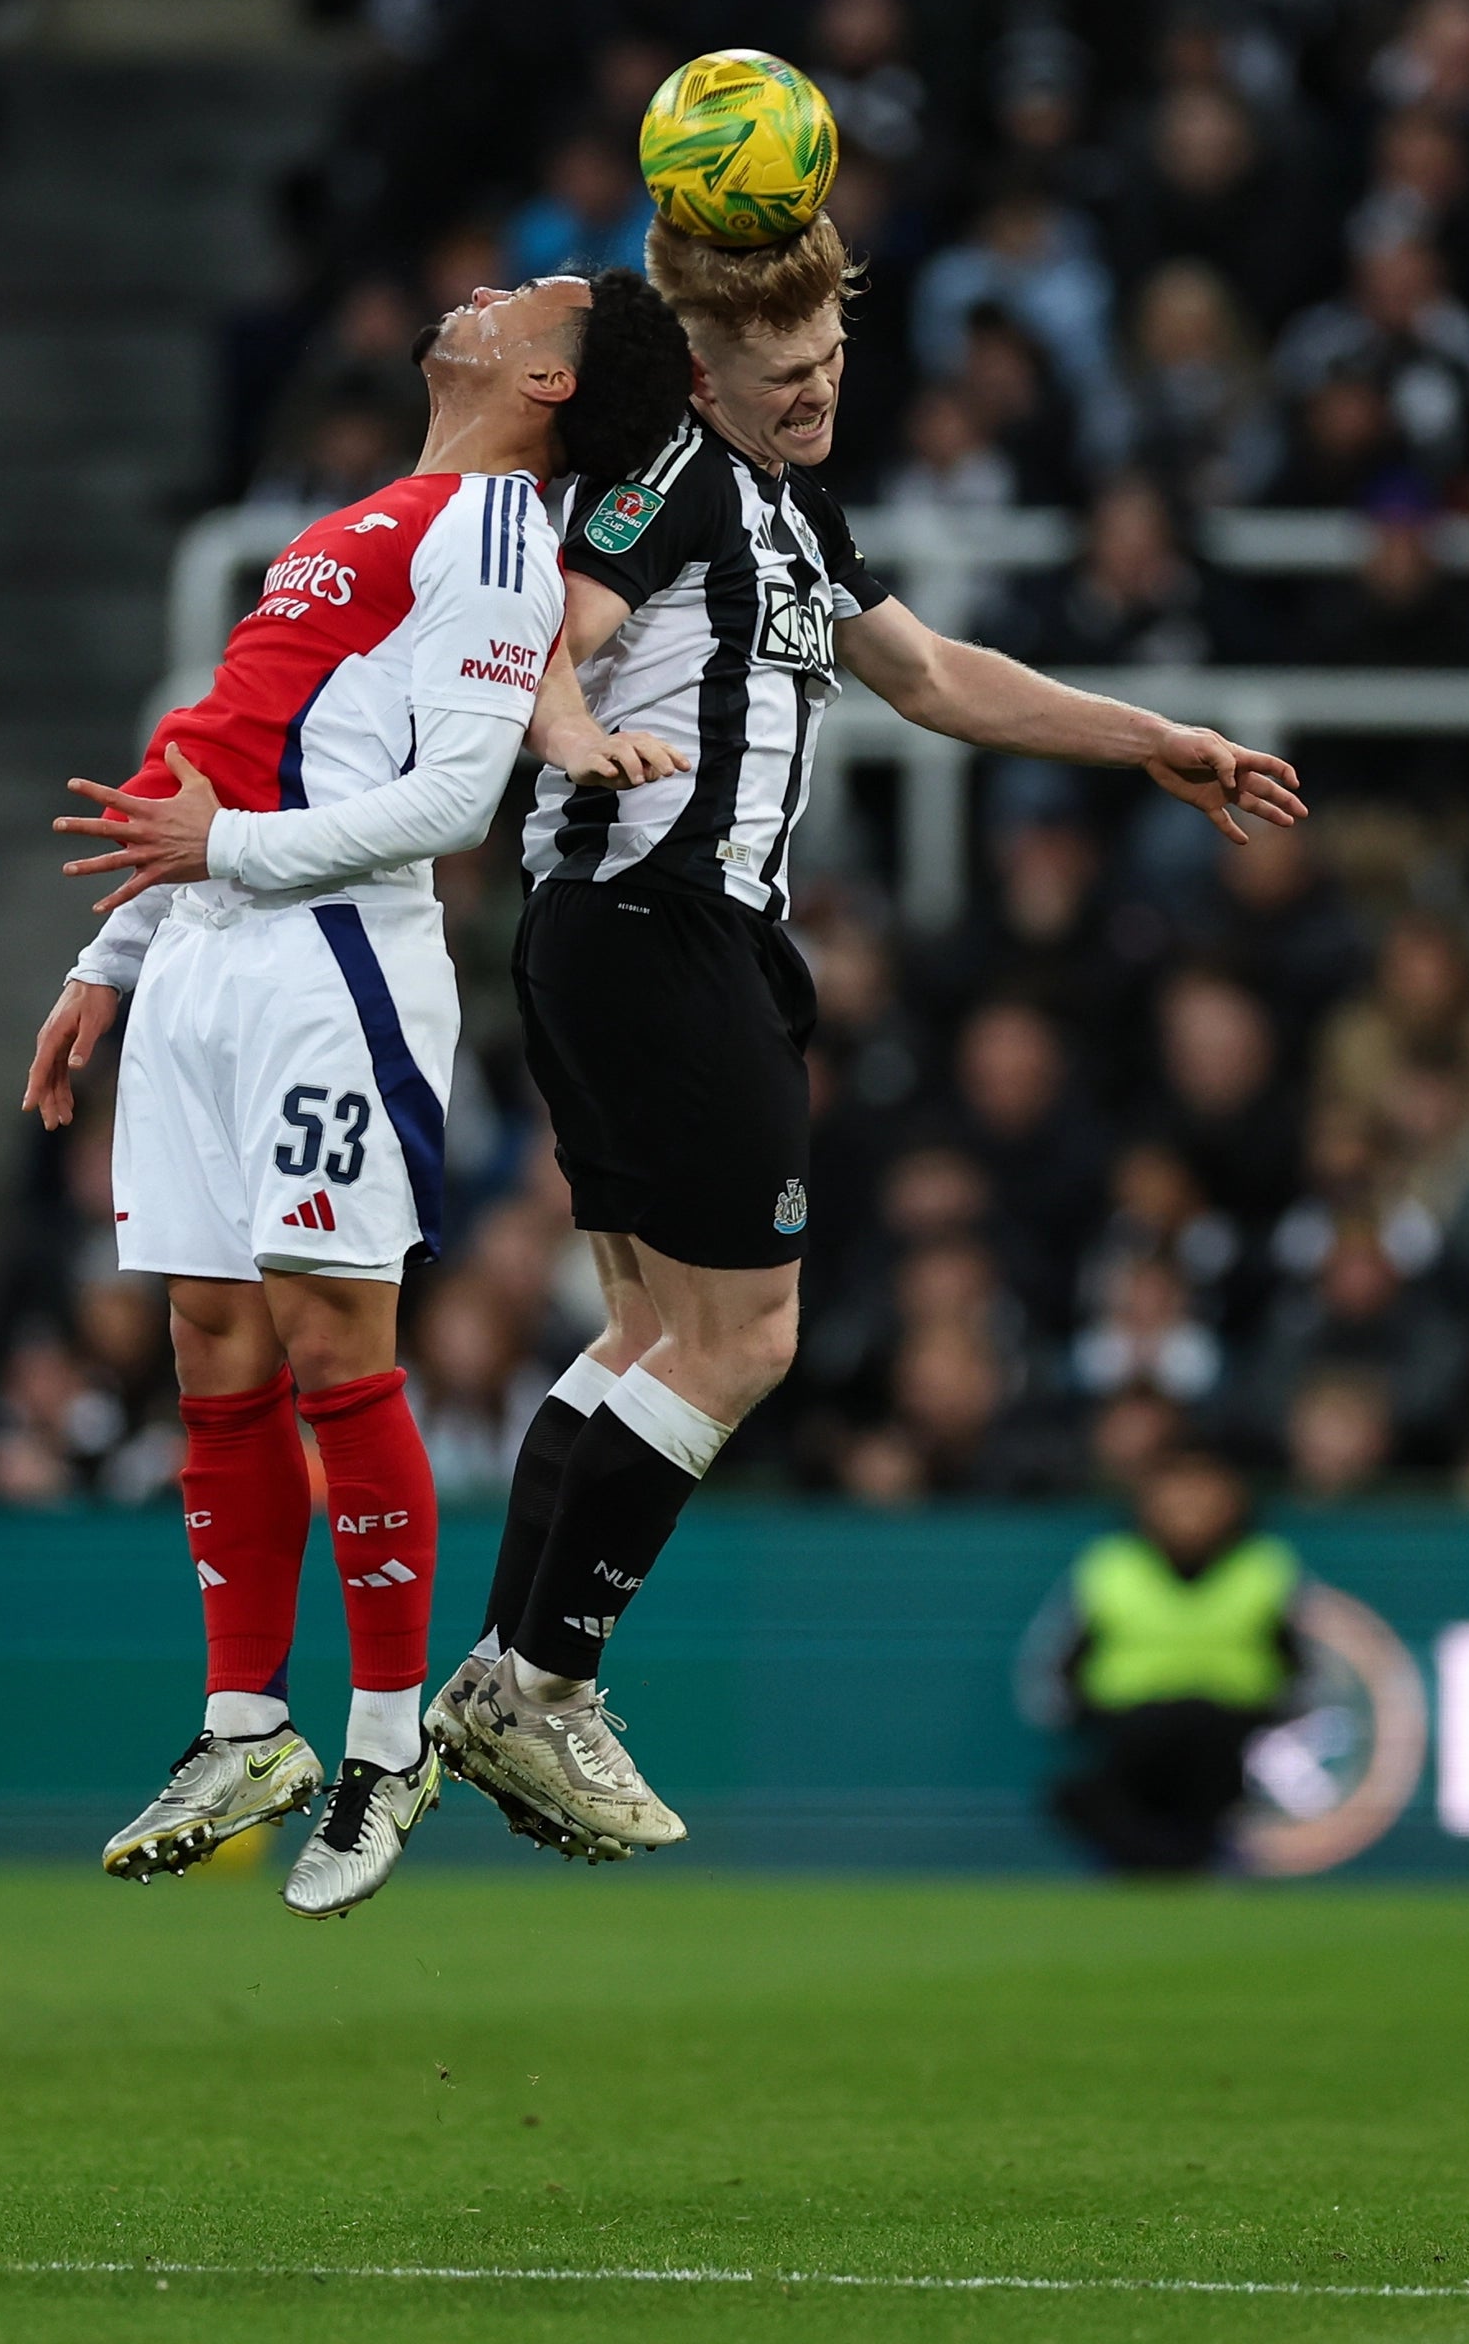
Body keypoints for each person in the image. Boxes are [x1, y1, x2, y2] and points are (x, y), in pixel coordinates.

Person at [432, 198, 1308, 1866]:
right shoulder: (673, 478)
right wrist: (564, 728)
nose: (819, 384)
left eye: (831, 355)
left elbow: (933, 677)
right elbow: (553, 619)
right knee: (747, 1342)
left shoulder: (788, 510)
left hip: (649, 941)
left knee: (641, 1339)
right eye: (784, 364)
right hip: (653, 925)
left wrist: (1145, 741)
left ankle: (504, 1669)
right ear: (704, 366)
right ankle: (541, 1678)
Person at [20, 268, 692, 1919]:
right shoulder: (372, 514)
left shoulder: (487, 538)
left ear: (547, 377)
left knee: (332, 1334)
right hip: (203, 959)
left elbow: (455, 796)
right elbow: (225, 766)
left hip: (328, 960)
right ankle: (246, 1726)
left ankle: (387, 1740)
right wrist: (108, 965)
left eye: (530, 295)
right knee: (210, 1338)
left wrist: (218, 858)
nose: (487, 287)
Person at [1019, 1450, 1304, 1874]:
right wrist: (1085, 1719)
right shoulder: (1110, 1566)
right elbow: (1055, 1670)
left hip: (1229, 1738)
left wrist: (1275, 1721)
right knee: (1083, 1791)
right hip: (1130, 1737)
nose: (1188, 1512)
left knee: (1202, 1737)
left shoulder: (1265, 1567)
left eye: (1202, 1497)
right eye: (1175, 1497)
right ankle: (1174, 1861)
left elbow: (1303, 1669)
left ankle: (1181, 1858)